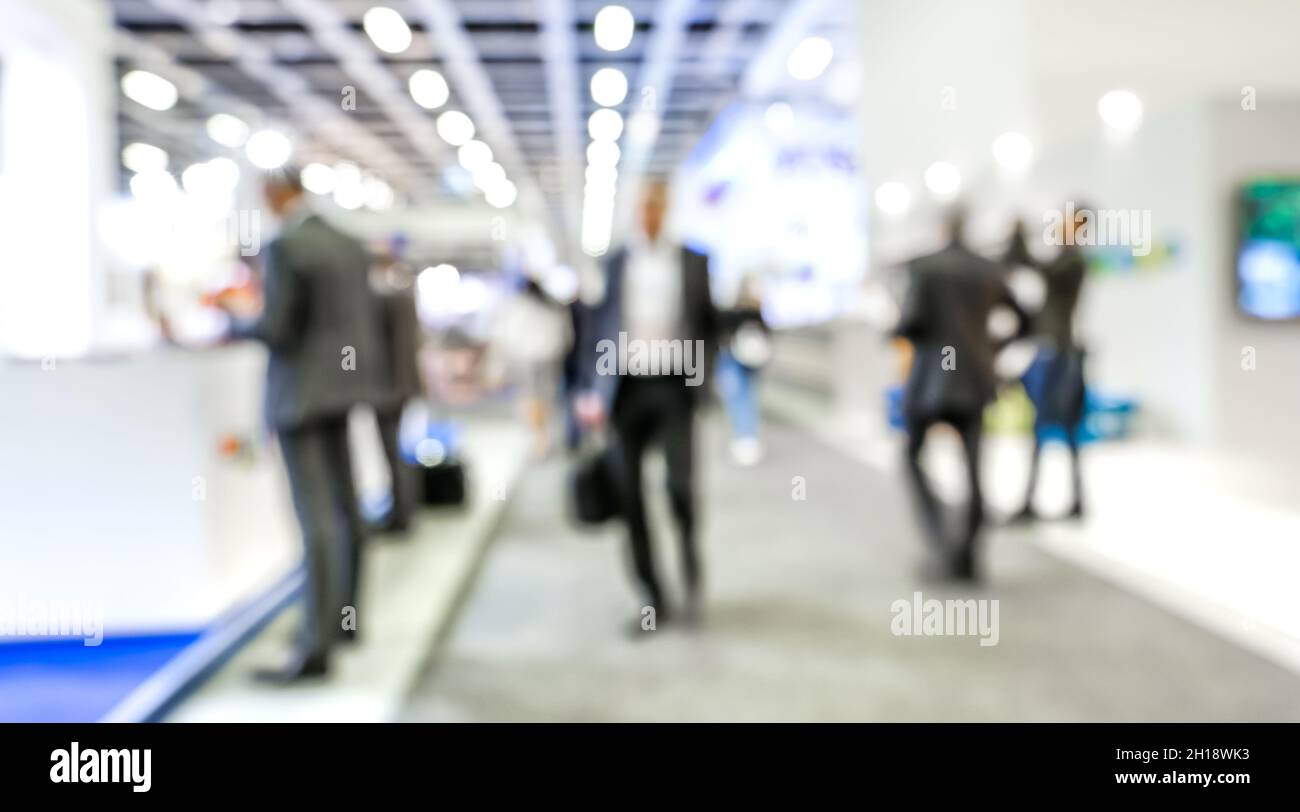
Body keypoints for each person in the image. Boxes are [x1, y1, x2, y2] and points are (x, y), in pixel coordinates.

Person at [222, 169, 381, 681]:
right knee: (345, 507)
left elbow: (277, 327)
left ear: (274, 194)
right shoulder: (350, 244)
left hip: (302, 396)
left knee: (316, 518)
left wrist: (232, 318)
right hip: (346, 391)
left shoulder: (286, 247)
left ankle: (315, 647)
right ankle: (344, 620)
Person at [576, 179, 718, 629]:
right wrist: (590, 389)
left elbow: (708, 326)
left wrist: (703, 378)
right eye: (642, 207)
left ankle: (690, 569)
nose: (648, 214)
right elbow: (598, 327)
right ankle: (652, 597)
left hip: (675, 385)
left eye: (656, 206)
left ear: (667, 208)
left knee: (680, 487)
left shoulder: (693, 260)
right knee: (630, 497)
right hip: (627, 389)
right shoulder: (616, 262)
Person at [896, 207, 1026, 580]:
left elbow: (911, 323)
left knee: (912, 457)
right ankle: (968, 555)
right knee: (974, 469)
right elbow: (1023, 319)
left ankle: (941, 539)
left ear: (942, 229)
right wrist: (990, 350)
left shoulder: (925, 268)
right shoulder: (987, 269)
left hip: (931, 382)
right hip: (973, 379)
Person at [1010, 207, 1089, 521]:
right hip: (1055, 352)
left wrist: (1019, 238)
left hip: (1060, 354)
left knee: (1057, 427)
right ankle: (1062, 500)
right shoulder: (1064, 261)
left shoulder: (1071, 262)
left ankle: (1069, 500)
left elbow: (1035, 266)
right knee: (1050, 429)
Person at [369, 252, 424, 534]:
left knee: (393, 450)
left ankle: (401, 513)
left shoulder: (387, 298)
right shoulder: (404, 295)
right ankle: (405, 508)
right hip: (401, 386)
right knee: (397, 449)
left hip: (389, 388)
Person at [717, 275, 771, 466]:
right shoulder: (756, 312)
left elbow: (721, 333)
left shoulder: (733, 312)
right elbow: (767, 335)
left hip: (734, 360)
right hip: (747, 361)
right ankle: (748, 438)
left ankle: (744, 437)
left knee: (738, 399)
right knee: (747, 398)